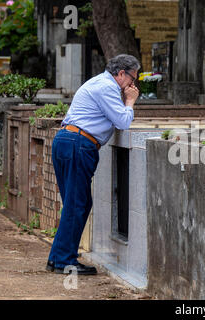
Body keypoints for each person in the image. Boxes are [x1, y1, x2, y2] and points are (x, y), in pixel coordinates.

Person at [46, 54, 140, 275]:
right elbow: (123, 121)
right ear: (120, 73)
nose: (132, 85)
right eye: (132, 79)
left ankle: (58, 257)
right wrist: (130, 101)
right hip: (78, 144)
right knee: (77, 204)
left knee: (76, 203)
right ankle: (64, 261)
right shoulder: (106, 88)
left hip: (68, 141)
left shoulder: (99, 83)